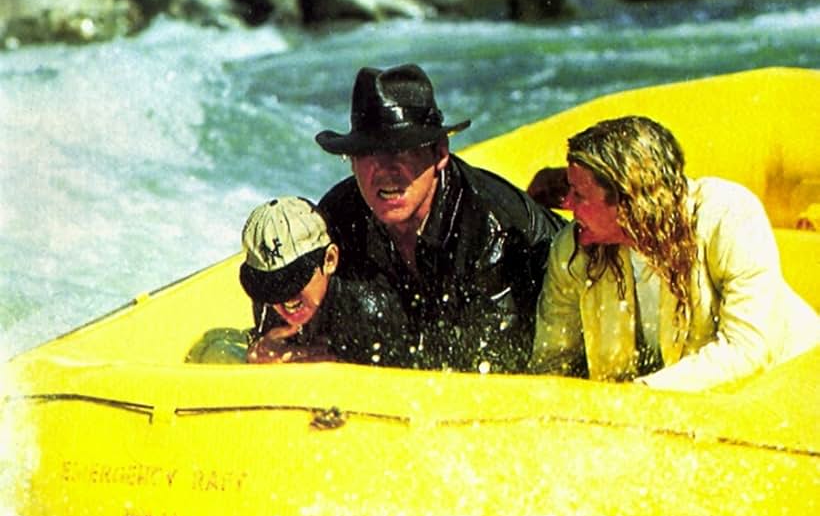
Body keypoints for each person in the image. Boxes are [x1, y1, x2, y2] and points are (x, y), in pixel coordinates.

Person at [530, 115, 819, 391]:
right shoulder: (572, 251)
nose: (567, 204)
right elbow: (553, 363)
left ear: (629, 203)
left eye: (579, 195)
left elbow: (747, 350)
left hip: (787, 389)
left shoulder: (728, 217)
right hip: (658, 395)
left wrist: (641, 395)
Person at [316, 63, 566, 373]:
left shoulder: (491, 229)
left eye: (401, 151)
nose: (384, 169)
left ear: (440, 154)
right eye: (368, 154)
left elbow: (491, 364)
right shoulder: (340, 212)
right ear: (352, 161)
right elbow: (287, 290)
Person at [239, 196, 410, 364]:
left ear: (329, 260)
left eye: (294, 281)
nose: (286, 299)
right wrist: (261, 350)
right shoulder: (268, 301)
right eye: (273, 285)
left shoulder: (369, 313)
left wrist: (338, 362)